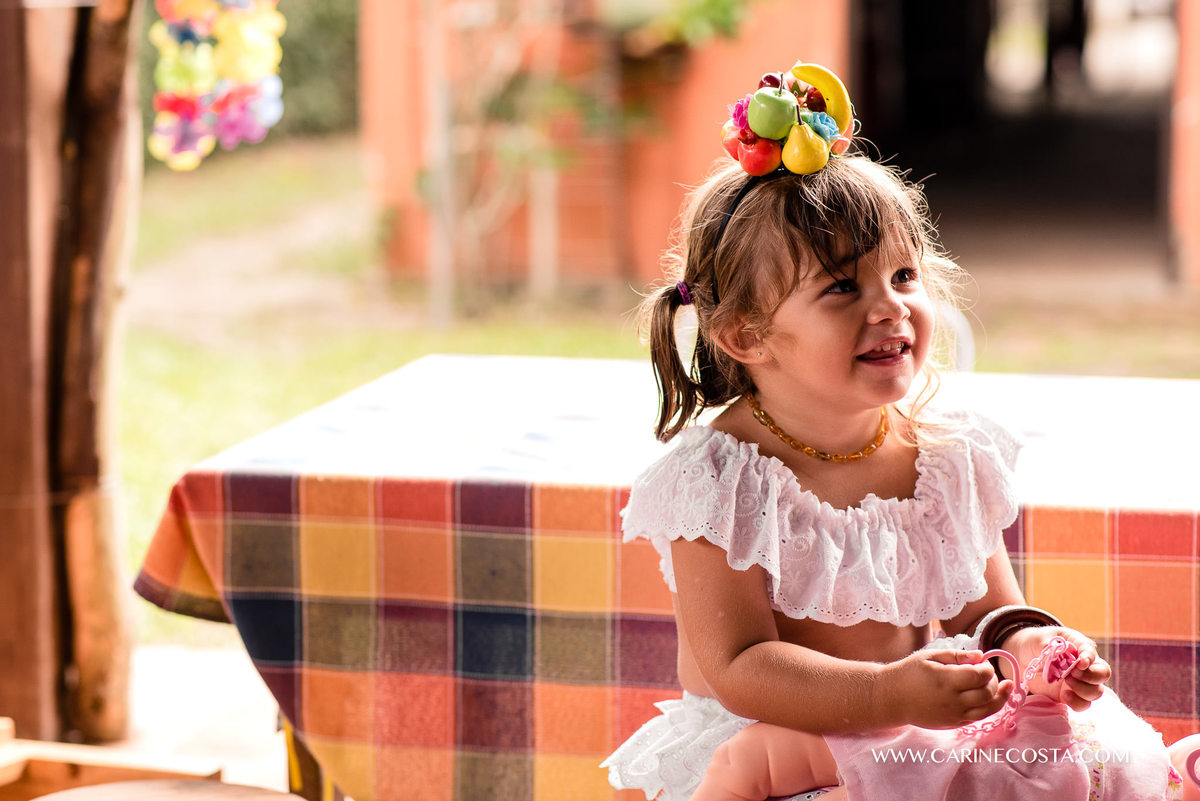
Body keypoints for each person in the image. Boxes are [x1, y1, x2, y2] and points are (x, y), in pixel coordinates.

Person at [600, 59, 1200, 801]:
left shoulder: (945, 456)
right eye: (842, 287)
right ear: (746, 334)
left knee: (1083, 764)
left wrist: (1032, 645)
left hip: (916, 733)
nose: (889, 308)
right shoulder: (721, 480)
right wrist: (888, 693)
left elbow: (985, 611)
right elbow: (740, 665)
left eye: (904, 277)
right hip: (780, 751)